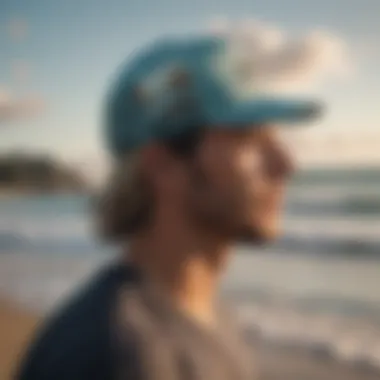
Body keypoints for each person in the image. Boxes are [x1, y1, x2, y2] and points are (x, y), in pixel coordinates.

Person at [15, 35, 322, 380]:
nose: (285, 163)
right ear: (163, 165)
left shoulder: (207, 314)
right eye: (249, 138)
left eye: (275, 138)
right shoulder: (113, 356)